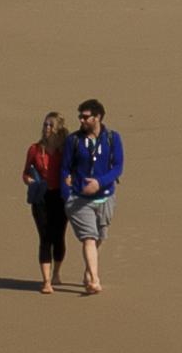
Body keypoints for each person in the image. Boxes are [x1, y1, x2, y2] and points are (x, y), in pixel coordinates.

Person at [60, 99, 122, 295]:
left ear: (98, 117)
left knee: (99, 237)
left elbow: (118, 167)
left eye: (86, 116)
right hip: (79, 200)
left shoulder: (113, 138)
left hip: (105, 197)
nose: (81, 120)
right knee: (89, 237)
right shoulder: (74, 140)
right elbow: (64, 168)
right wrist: (66, 195)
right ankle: (94, 280)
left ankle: (88, 272)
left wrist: (100, 182)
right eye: (80, 116)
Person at [17, 106, 82, 291]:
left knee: (58, 236)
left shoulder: (66, 150)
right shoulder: (35, 149)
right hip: (41, 196)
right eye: (45, 124)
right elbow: (25, 172)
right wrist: (29, 180)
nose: (46, 128)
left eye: (50, 124)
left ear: (58, 128)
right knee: (44, 237)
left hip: (60, 196)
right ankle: (46, 281)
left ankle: (56, 273)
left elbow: (74, 168)